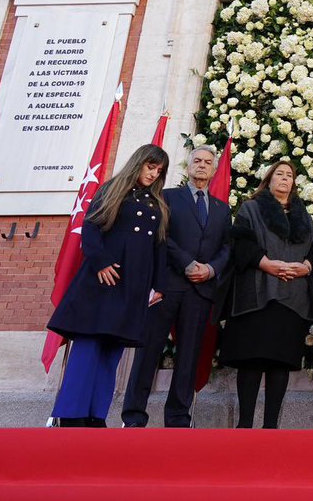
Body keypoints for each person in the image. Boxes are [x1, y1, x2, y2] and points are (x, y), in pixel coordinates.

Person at [46, 144, 171, 427]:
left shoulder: (158, 204)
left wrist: (158, 286)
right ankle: (71, 414)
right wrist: (101, 262)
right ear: (138, 163)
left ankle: (96, 414)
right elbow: (91, 229)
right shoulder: (112, 190)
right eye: (150, 167)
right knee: (89, 346)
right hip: (105, 280)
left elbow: (160, 248)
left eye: (159, 170)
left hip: (134, 286)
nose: (153, 174)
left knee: (112, 351)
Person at [122, 145, 231, 427]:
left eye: (208, 162)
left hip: (200, 292)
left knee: (189, 357)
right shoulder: (168, 197)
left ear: (214, 169)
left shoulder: (221, 209)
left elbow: (226, 247)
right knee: (149, 352)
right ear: (188, 165)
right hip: (167, 285)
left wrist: (210, 268)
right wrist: (187, 263)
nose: (202, 165)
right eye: (197, 160)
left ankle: (178, 418)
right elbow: (161, 235)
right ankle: (134, 416)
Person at [218, 160, 313, 428]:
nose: (285, 178)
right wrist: (266, 264)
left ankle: (270, 427)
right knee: (252, 361)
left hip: (292, 299)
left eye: (290, 175)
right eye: (280, 173)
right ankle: (244, 425)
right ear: (269, 180)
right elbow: (240, 243)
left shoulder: (303, 216)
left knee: (280, 363)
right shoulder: (251, 208)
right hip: (257, 295)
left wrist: (306, 267)